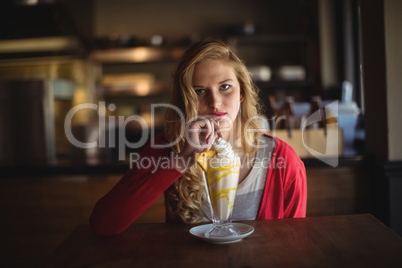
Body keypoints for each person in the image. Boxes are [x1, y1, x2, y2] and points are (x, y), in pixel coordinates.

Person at [90, 40, 307, 236]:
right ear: (186, 100)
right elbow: (104, 224)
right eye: (200, 91)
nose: (215, 102)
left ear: (241, 92)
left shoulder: (282, 158)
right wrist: (180, 162)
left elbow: (293, 242)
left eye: (225, 87)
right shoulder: (169, 147)